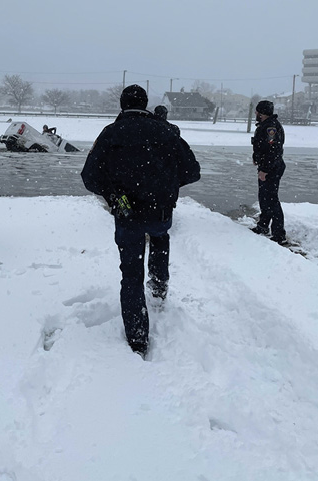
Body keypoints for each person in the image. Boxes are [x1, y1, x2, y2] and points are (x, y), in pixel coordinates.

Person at [81, 85, 200, 357]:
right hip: (160, 210)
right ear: (145, 104)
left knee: (131, 274)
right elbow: (192, 171)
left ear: (122, 105)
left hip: (128, 215)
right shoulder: (167, 131)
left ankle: (137, 337)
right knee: (160, 238)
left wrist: (113, 194)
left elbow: (89, 177)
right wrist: (167, 186)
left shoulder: (111, 134)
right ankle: (159, 286)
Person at [250, 100, 286, 244]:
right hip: (267, 166)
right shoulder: (264, 125)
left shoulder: (271, 127)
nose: (255, 114)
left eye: (257, 112)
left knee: (271, 199)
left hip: (272, 168)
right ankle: (263, 225)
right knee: (264, 198)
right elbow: (261, 146)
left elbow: (273, 151)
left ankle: (279, 234)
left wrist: (265, 170)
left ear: (262, 113)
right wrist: (256, 158)